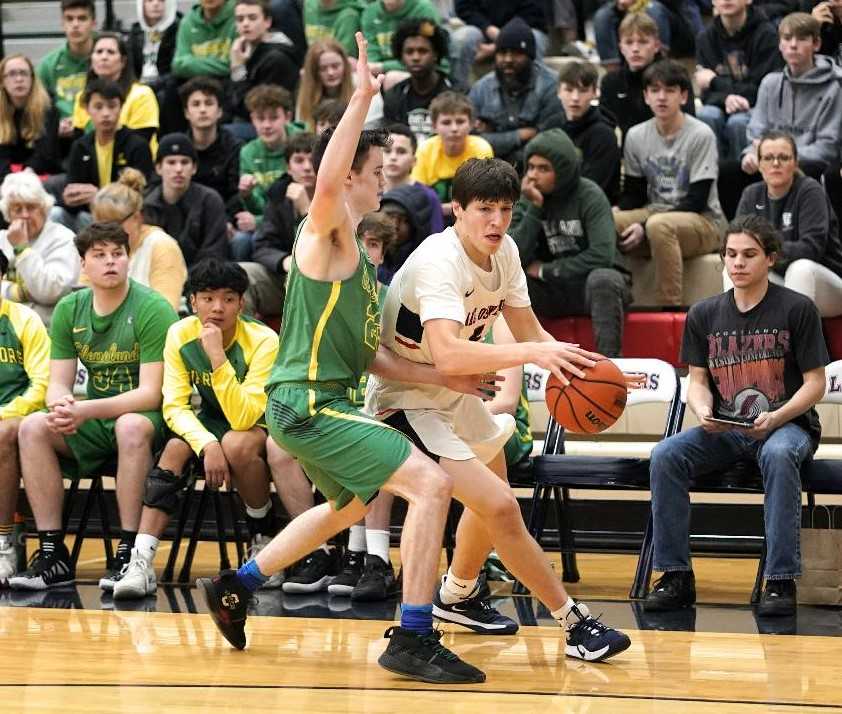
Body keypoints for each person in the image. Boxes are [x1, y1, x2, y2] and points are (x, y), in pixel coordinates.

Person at [198, 32, 495, 683]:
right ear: (352, 176)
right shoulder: (323, 236)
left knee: (349, 508)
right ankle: (415, 634)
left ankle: (236, 585)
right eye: (376, 169)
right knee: (431, 483)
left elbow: (379, 361)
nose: (385, 178)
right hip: (305, 402)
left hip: (322, 402)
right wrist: (360, 96)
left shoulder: (361, 267)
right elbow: (325, 177)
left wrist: (455, 377)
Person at [365, 155, 632, 659]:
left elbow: (530, 330)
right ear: (457, 210)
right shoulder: (438, 261)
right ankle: (574, 624)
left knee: (494, 497)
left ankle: (458, 595)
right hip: (407, 399)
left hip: (458, 392)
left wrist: (581, 364)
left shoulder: (504, 250)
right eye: (484, 209)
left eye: (505, 210)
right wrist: (535, 354)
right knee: (501, 506)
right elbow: (447, 352)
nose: (496, 221)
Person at [644, 214, 828, 618]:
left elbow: (816, 384)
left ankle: (780, 581)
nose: (738, 263)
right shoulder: (704, 314)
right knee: (665, 455)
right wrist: (703, 407)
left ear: (771, 259)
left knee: (779, 457)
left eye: (749, 254)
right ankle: (676, 576)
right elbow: (696, 381)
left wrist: (778, 417)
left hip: (788, 427)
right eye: (730, 254)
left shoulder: (798, 309)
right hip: (727, 428)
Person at [9, 221, 178, 591]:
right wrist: (61, 404)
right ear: (83, 264)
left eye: (117, 254)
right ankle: (52, 554)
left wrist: (83, 410)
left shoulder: (153, 308)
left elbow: (151, 394)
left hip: (146, 419)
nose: (110, 262)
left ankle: (129, 553)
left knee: (130, 425)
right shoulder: (71, 308)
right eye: (99, 255)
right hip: (95, 419)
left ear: (128, 259)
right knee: (32, 426)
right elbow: (57, 381)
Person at [113, 258, 279, 599]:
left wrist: (217, 358)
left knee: (236, 443)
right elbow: (174, 405)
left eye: (228, 299)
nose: (217, 308)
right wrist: (205, 444)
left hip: (252, 425)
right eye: (207, 298)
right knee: (175, 449)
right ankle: (140, 562)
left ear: (241, 304)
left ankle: (262, 537)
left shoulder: (263, 340)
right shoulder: (180, 333)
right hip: (209, 424)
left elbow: (244, 416)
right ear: (193, 302)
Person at [613, 60, 726, 307]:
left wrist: (643, 224)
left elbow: (697, 200)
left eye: (670, 90)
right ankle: (614, 296)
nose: (661, 97)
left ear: (684, 96)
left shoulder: (701, 134)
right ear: (646, 96)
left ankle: (669, 308)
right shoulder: (636, 135)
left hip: (705, 220)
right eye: (655, 90)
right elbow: (634, 193)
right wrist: (617, 210)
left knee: (658, 225)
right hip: (655, 212)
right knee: (606, 221)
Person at [511, 129, 632, 357]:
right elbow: (513, 256)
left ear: (563, 170)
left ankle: (611, 366)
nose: (534, 175)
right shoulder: (528, 197)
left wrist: (548, 270)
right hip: (556, 291)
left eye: (544, 168)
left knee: (603, 279)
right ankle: (525, 365)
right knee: (512, 282)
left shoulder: (589, 195)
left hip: (593, 288)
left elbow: (602, 255)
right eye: (531, 167)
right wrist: (535, 209)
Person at [733, 131, 842, 316]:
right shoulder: (751, 194)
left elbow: (810, 250)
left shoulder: (810, 191)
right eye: (768, 158)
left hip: (825, 281)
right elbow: (736, 246)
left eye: (783, 157)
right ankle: (744, 340)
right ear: (759, 164)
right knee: (737, 269)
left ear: (795, 162)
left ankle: (795, 344)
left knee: (800, 269)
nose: (776, 163)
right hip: (777, 274)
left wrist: (760, 249)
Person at [0, 250, 50, 582]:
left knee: (2, 434)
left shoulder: (23, 319)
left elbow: (42, 383)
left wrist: (6, 413)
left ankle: (4, 544)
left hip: (15, 415)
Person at [742, 12, 842, 178]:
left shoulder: (835, 85)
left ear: (816, 44)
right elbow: (756, 134)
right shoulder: (770, 83)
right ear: (780, 45)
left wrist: (783, 156)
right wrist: (750, 154)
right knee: (732, 171)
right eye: (787, 39)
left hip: (811, 165)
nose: (793, 45)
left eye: (802, 39)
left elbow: (828, 147)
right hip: (771, 161)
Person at [57, 79, 156, 232]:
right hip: (89, 216)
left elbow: (142, 197)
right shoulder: (81, 146)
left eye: (112, 106)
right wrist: (69, 198)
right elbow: (72, 194)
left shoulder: (137, 146)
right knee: (56, 214)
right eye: (98, 107)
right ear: (86, 109)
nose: (106, 113)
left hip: (124, 220)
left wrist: (100, 196)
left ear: (121, 107)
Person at [695, 0, 782, 163]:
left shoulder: (767, 35)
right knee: (705, 115)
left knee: (739, 123)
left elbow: (763, 89)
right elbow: (705, 94)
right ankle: (712, 180)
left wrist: (715, 82)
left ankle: (743, 183)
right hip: (719, 104)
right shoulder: (705, 38)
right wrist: (726, 98)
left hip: (756, 106)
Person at [468, 17, 563, 168]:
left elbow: (547, 142)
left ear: (530, 57)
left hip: (535, 169)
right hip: (488, 171)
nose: (508, 59)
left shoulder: (551, 86)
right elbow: (471, 141)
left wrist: (495, 138)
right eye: (502, 53)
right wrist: (521, 135)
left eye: (516, 53)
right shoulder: (482, 88)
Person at [240, 132, 315, 319]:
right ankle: (247, 343)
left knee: (300, 278)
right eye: (299, 160)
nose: (307, 167)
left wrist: (306, 211)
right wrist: (283, 261)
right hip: (285, 274)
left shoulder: (338, 197)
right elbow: (263, 245)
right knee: (241, 274)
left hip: (325, 280)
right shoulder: (279, 196)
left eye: (313, 160)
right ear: (288, 168)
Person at [90, 168, 188, 311]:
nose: (105, 232)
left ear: (137, 218)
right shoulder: (94, 247)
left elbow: (165, 310)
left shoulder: (162, 246)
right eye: (100, 225)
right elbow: (83, 301)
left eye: (113, 224)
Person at [599, 13, 695, 149]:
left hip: (674, 150)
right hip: (632, 154)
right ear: (621, 47)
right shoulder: (611, 82)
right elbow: (604, 125)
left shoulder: (676, 75)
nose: (635, 49)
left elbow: (688, 120)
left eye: (643, 42)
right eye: (629, 42)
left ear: (656, 46)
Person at [231, 84, 303, 260]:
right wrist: (247, 195)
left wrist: (256, 221)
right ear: (252, 119)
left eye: (273, 118)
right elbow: (257, 206)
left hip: (298, 220)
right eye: (260, 119)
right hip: (268, 224)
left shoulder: (303, 143)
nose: (266, 125)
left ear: (287, 117)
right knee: (240, 240)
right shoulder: (248, 152)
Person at [0, 171, 79, 326]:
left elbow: (51, 292)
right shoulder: (2, 239)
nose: (25, 215)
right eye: (17, 209)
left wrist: (22, 249)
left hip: (47, 327)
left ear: (44, 209)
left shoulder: (63, 238)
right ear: (8, 214)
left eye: (31, 208)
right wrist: (20, 292)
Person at [143, 133, 230, 266]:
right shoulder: (145, 205)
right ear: (158, 168)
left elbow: (214, 253)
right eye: (171, 162)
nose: (178, 169)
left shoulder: (210, 200)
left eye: (185, 162)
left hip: (201, 280)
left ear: (194, 168)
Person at [545, 61, 621, 205]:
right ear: (558, 92)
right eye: (569, 90)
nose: (575, 98)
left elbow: (593, 188)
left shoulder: (604, 134)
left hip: (591, 209)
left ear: (594, 92)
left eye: (583, 90)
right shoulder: (550, 126)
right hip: (551, 203)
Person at [71, 33, 160, 148]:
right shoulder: (82, 97)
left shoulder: (142, 95)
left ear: (123, 61)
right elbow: (80, 143)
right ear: (91, 60)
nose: (104, 57)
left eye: (110, 52)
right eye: (99, 52)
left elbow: (140, 142)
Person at [411, 91, 493, 219]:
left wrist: (443, 208)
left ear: (471, 124)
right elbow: (418, 195)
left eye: (460, 121)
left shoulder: (481, 148)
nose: (454, 128)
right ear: (434, 126)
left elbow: (484, 196)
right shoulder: (425, 149)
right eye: (446, 122)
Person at [229, 0, 300, 130]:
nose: (245, 24)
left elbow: (253, 107)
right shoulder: (244, 48)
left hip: (272, 125)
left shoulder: (276, 58)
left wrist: (238, 69)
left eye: (252, 18)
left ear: (267, 21)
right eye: (240, 19)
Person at [449, 0, 549, 91]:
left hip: (526, 28)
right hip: (484, 29)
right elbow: (464, 8)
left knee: (534, 40)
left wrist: (499, 44)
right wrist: (487, 28)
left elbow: (534, 11)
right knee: (460, 40)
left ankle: (537, 93)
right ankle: (458, 93)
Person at [382, 19, 453, 145]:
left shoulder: (455, 92)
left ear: (436, 54)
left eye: (422, 51)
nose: (415, 57)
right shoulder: (394, 95)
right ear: (401, 56)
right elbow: (391, 141)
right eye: (409, 52)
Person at [36, 0, 95, 138]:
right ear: (62, 24)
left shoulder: (106, 57)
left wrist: (82, 123)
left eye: (82, 18)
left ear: (93, 24)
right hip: (59, 138)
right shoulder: (48, 65)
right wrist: (54, 125)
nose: (75, 25)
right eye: (69, 19)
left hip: (98, 134)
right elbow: (35, 105)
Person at [179, 77, 242, 205]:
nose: (202, 110)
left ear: (219, 111)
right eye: (196, 104)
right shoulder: (178, 147)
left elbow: (236, 194)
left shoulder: (235, 147)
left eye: (209, 103)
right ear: (186, 113)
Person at [0, 55, 61, 183]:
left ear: (32, 79)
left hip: (39, 173)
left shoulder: (47, 109)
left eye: (24, 73)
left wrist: (25, 176)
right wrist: (9, 179)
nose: (19, 79)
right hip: (7, 176)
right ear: (2, 81)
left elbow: (46, 154)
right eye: (11, 74)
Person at [382, 123, 444, 232]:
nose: (393, 157)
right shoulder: (369, 193)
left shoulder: (428, 196)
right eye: (387, 151)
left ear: (414, 161)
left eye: (401, 151)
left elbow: (436, 239)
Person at [593, 0, 674, 70]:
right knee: (602, 17)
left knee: (653, 9)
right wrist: (618, 4)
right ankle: (614, 74)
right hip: (624, 7)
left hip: (666, 8)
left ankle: (661, 68)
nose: (635, 49)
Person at [295, 40, 354, 131]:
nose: (330, 73)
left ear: (345, 65)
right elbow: (303, 132)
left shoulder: (362, 87)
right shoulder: (305, 95)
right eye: (323, 69)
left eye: (335, 66)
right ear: (314, 72)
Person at [127, 0, 182, 94]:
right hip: (138, 89)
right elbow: (130, 67)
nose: (156, 4)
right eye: (150, 0)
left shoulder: (178, 29)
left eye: (161, 0)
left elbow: (176, 71)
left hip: (166, 89)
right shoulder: (136, 31)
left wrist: (149, 87)